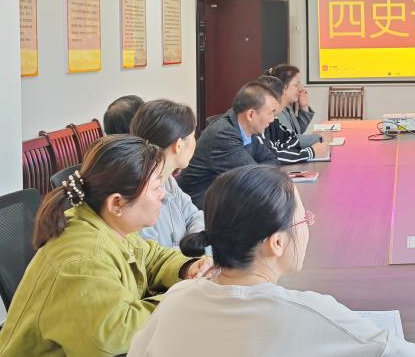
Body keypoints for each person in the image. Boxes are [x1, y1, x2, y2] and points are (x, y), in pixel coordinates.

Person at [126, 165, 415, 357]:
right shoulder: (312, 314)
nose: (308, 225)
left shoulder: (177, 300)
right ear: (277, 242)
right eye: (304, 219)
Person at [0, 135, 214, 357]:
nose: (162, 195)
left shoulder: (108, 225)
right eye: (156, 188)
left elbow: (151, 257)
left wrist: (188, 268)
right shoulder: (84, 258)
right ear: (116, 203)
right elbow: (113, 335)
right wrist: (186, 297)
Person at [178, 81, 280, 209]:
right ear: (251, 114)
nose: (272, 119)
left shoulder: (247, 130)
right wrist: (258, 171)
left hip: (225, 201)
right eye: (270, 113)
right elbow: (254, 180)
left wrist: (257, 170)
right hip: (201, 209)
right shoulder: (223, 135)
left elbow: (272, 160)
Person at [129, 99, 205, 248]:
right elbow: (152, 256)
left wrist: (194, 245)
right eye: (193, 136)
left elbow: (194, 216)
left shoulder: (167, 179)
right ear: (179, 145)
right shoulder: (139, 197)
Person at [255, 75, 330, 163]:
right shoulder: (258, 127)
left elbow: (290, 138)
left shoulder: (276, 117)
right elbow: (271, 155)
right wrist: (310, 152)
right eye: (296, 85)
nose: (300, 89)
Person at [267, 64, 325, 149]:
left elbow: (296, 131)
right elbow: (290, 139)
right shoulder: (276, 112)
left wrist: (304, 107)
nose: (300, 88)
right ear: (283, 88)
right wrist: (318, 138)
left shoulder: (286, 106)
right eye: (296, 85)